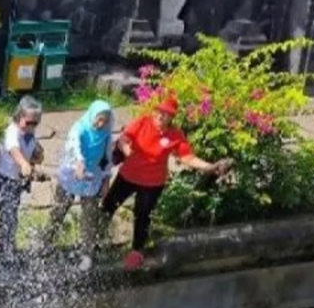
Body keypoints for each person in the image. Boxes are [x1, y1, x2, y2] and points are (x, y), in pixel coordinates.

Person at [102, 96, 232, 270]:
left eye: (167, 114)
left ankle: (136, 253)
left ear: (172, 117)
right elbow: (125, 137)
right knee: (108, 206)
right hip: (128, 176)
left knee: (142, 216)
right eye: (160, 112)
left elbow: (187, 157)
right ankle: (94, 242)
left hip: (152, 182)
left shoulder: (175, 134)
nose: (162, 116)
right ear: (155, 111)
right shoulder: (143, 122)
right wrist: (126, 148)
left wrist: (210, 167)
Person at [42, 99, 115, 271]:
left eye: (104, 120)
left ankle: (86, 253)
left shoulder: (106, 134)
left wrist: (106, 181)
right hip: (72, 172)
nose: (100, 123)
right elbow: (74, 143)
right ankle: (44, 243)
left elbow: (107, 160)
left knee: (90, 214)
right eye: (98, 119)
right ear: (91, 115)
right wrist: (80, 161)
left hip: (92, 177)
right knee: (60, 208)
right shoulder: (80, 127)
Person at [0, 97, 45, 265]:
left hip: (16, 180)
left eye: (36, 123)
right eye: (29, 122)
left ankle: (4, 247)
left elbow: (31, 152)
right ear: (19, 117)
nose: (32, 126)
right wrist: (23, 163)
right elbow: (13, 149)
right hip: (3, 179)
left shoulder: (30, 133)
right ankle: (5, 251)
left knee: (11, 214)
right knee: (8, 215)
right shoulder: (11, 131)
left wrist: (34, 164)